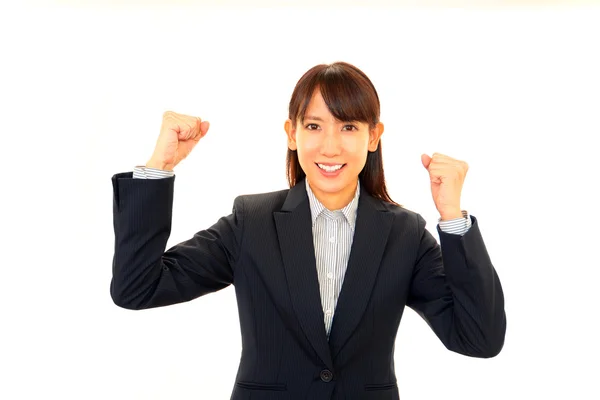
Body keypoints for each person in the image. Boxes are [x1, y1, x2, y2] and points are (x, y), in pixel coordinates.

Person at [110, 61, 506, 400]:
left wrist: (452, 216)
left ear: (373, 136)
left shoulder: (404, 233)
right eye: (314, 125)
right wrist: (160, 165)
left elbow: (479, 338)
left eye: (348, 126)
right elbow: (136, 288)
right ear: (291, 133)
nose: (330, 147)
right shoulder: (252, 221)